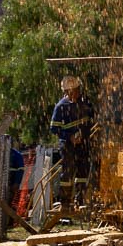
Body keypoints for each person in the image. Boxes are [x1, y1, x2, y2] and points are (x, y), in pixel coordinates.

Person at [50, 75, 94, 207]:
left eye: (77, 90)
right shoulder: (60, 107)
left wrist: (84, 135)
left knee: (83, 171)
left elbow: (91, 121)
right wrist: (70, 137)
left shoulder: (85, 103)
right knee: (67, 173)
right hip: (68, 145)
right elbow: (54, 128)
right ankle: (65, 202)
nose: (76, 93)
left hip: (83, 144)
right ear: (67, 92)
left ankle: (80, 200)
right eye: (73, 91)